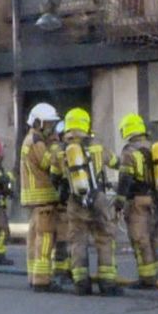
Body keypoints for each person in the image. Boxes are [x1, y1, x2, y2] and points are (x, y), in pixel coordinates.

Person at [62, 108, 122, 296]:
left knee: (77, 240)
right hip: (99, 199)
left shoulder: (64, 151)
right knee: (105, 238)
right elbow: (116, 162)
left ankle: (81, 283)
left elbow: (56, 175)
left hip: (75, 201)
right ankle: (107, 283)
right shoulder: (97, 147)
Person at [20, 103, 63, 292]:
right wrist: (55, 146)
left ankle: (34, 276)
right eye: (49, 124)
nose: (51, 128)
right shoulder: (36, 140)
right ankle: (42, 280)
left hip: (36, 200)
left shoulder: (30, 138)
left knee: (34, 239)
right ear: (38, 122)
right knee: (45, 239)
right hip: (44, 198)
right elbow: (47, 162)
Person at [117, 113, 158, 288]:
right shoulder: (154, 148)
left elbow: (125, 178)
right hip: (154, 200)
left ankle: (147, 279)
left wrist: (120, 200)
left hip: (136, 200)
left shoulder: (129, 151)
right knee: (153, 238)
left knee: (139, 240)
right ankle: (155, 275)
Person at [50, 121, 73, 284]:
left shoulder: (57, 151)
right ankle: (65, 270)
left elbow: (53, 177)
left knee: (62, 238)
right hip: (74, 202)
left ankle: (61, 270)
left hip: (61, 201)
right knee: (69, 238)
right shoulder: (78, 149)